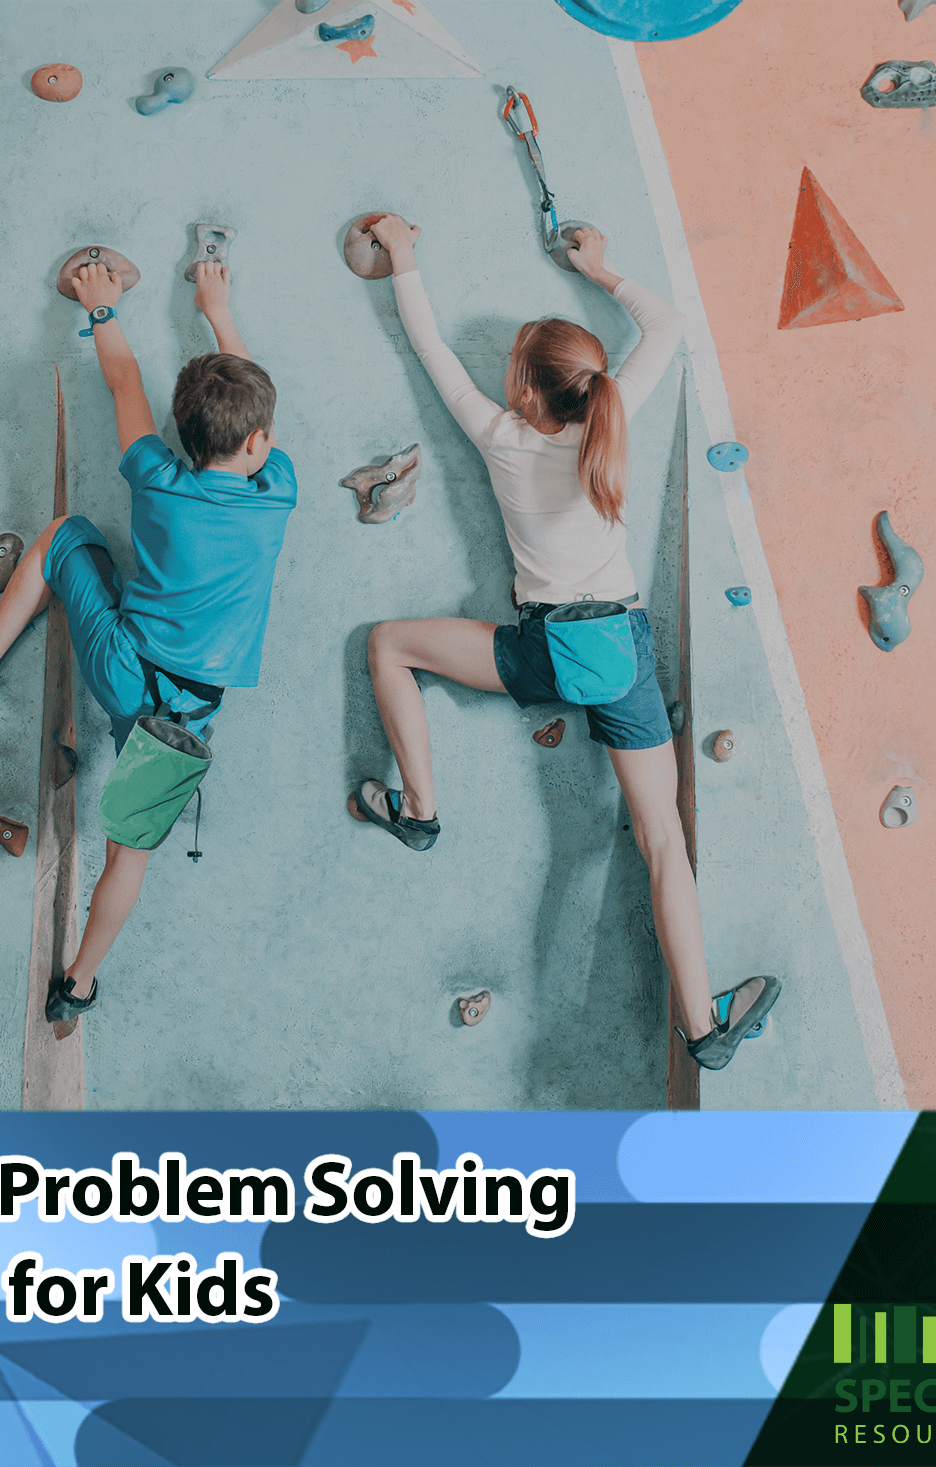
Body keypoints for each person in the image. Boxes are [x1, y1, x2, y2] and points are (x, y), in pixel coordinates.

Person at [349, 213, 778, 1071]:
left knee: (389, 643)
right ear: (590, 384)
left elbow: (427, 346)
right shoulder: (612, 421)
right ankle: (703, 1025)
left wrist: (402, 253)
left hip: (540, 654)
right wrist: (602, 270)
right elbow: (668, 327)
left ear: (523, 391)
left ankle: (421, 810)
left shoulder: (501, 438)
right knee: (661, 837)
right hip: (617, 655)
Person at [0, 258, 297, 1026]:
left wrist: (103, 308)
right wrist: (218, 307)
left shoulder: (155, 474)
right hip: (184, 717)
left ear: (181, 436)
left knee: (65, 535)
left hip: (121, 667)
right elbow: (260, 409)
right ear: (258, 441)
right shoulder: (275, 490)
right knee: (130, 857)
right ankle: (76, 982)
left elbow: (124, 387)